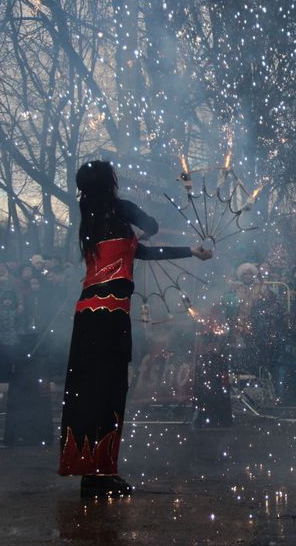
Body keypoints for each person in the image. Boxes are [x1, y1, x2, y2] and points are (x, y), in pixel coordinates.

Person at [57, 161, 211, 497]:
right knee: (110, 390)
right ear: (110, 183)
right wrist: (142, 234)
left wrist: (189, 251)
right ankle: (101, 472)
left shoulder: (90, 219)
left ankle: (93, 472)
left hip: (88, 314)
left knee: (88, 392)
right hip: (110, 314)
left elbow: (140, 252)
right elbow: (152, 226)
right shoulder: (120, 209)